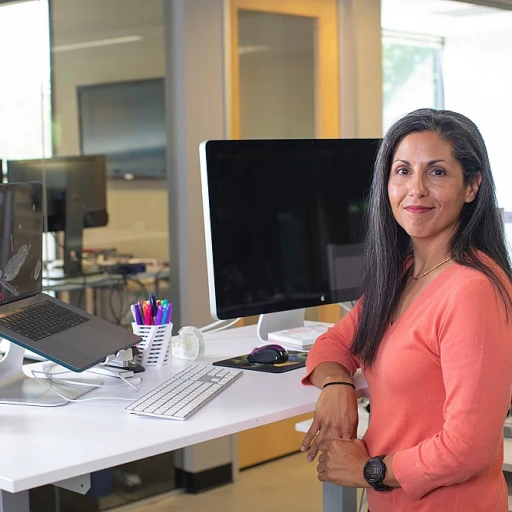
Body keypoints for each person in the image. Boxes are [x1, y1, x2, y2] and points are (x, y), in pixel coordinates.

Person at [300, 108, 512, 511]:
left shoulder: (473, 290)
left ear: (472, 186)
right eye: (402, 171)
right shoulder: (404, 273)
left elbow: (469, 447)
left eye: (437, 172)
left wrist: (370, 471)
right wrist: (338, 385)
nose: (415, 189)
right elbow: (336, 342)